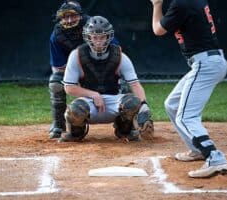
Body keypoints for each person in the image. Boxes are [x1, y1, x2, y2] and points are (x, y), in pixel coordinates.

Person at [149, 0, 227, 178]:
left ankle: (214, 157)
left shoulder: (181, 3)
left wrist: (156, 5)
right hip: (208, 61)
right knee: (172, 104)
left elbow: (158, 30)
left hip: (205, 63)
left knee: (186, 116)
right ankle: (197, 150)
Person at [60, 16, 154, 142]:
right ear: (88, 37)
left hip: (114, 101)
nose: (98, 41)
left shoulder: (120, 56)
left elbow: (135, 84)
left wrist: (144, 106)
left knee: (133, 102)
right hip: (88, 102)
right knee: (75, 109)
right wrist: (94, 95)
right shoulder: (76, 55)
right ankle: (76, 133)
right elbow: (69, 88)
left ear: (108, 37)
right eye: (94, 37)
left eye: (102, 37)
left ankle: (124, 130)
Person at [48, 1, 123, 139]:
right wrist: (76, 78)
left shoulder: (95, 26)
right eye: (65, 17)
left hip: (104, 68)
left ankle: (126, 123)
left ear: (81, 15)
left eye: (73, 15)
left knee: (126, 80)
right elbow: (58, 68)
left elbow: (116, 53)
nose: (69, 20)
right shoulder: (57, 35)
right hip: (78, 73)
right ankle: (59, 123)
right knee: (56, 82)